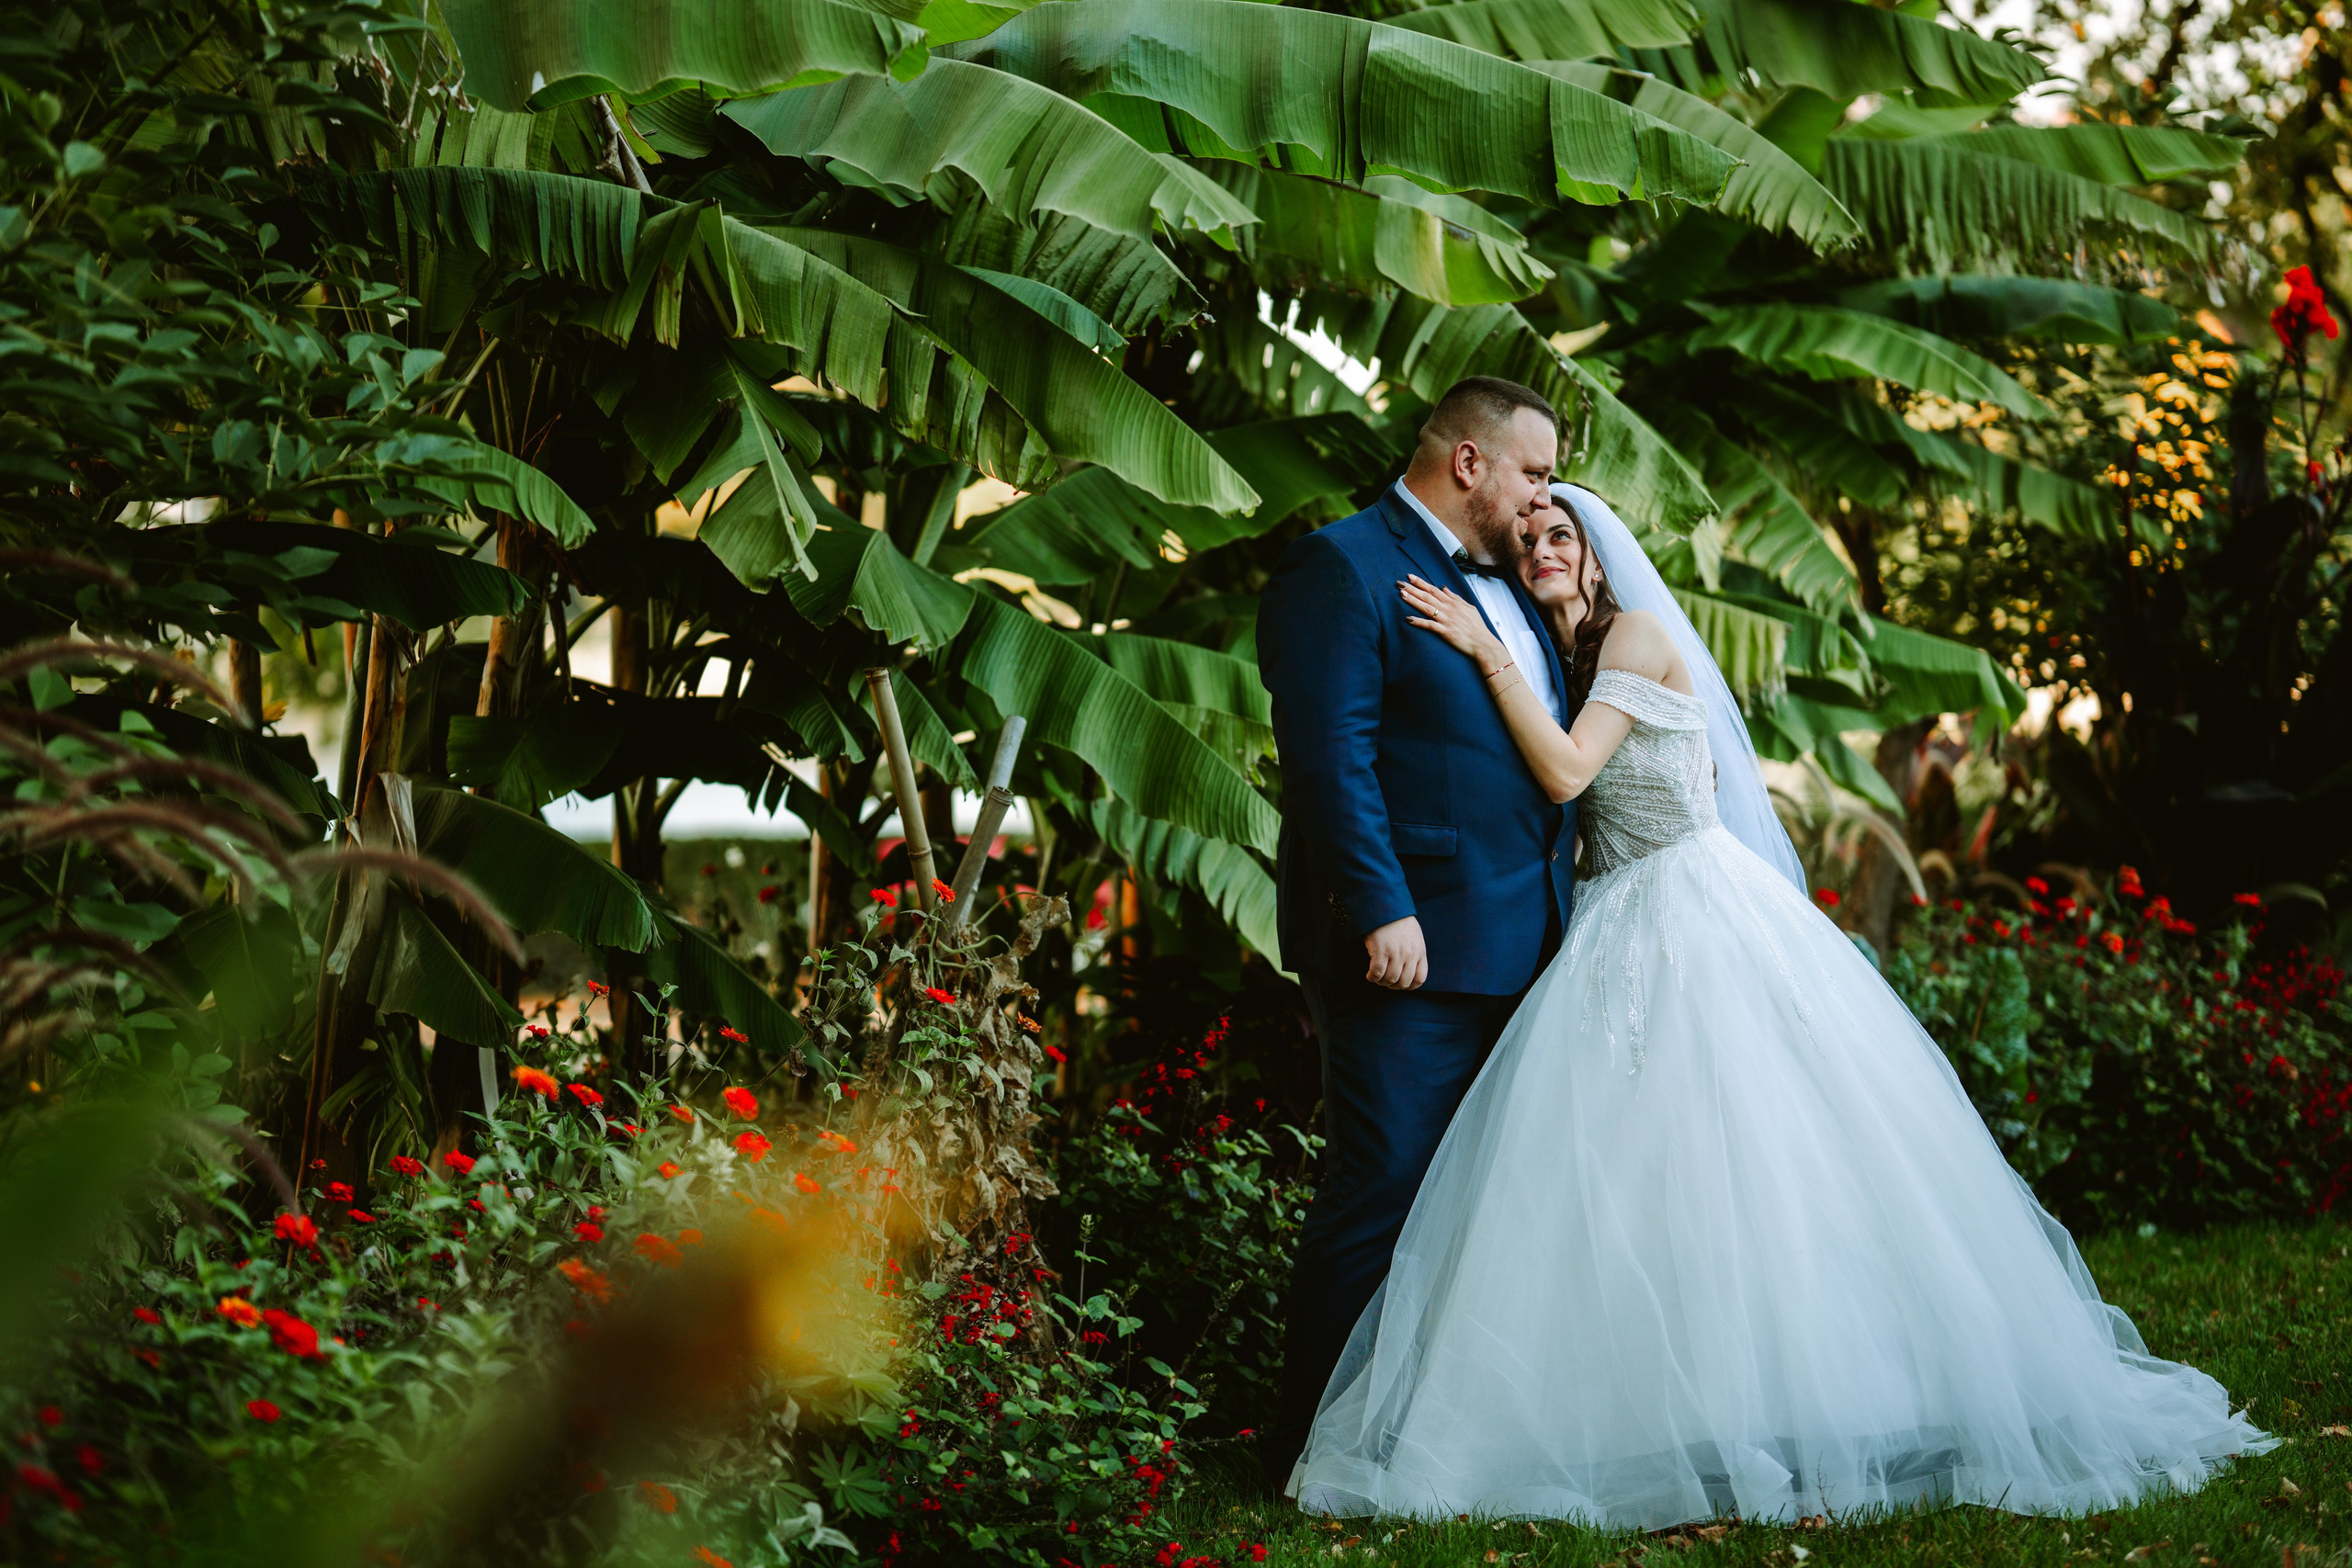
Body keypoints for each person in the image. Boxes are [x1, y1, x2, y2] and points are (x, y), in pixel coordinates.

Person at [1284, 482, 2274, 1526]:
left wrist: (1485, 653)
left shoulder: (1635, 637)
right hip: (1611, 929)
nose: (1539, 547)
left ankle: (1824, 1394)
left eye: (1560, 533)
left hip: (1689, 916)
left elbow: (1572, 773)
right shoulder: (1569, 656)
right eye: (1527, 535)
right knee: (1633, 1175)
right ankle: (1651, 1406)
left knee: (1753, 1160)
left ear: (1596, 551)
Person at [1254, 377, 1577, 1489]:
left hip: (1529, 942)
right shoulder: (1339, 567)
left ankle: (1431, 1440)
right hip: (1411, 950)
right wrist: (1381, 905)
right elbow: (1329, 758)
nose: (1546, 499)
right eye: (1534, 473)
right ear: (1469, 462)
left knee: (1487, 1207)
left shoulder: (1519, 585)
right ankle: (1308, 1452)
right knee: (1381, 1188)